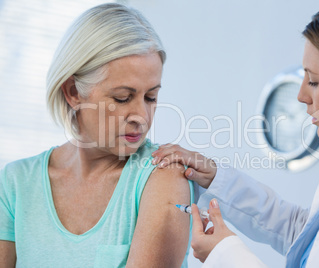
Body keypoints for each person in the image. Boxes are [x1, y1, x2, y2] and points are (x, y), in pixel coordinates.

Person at [152, 0, 319, 267]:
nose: (301, 96)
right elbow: (307, 237)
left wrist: (225, 255)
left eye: (314, 81)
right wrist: (215, 178)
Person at [0, 3, 194, 268]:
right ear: (73, 92)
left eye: (151, 97)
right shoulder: (15, 184)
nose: (142, 116)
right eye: (122, 98)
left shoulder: (162, 176)